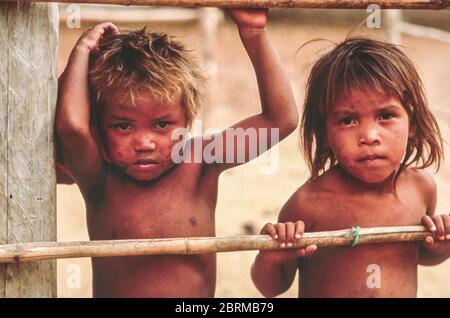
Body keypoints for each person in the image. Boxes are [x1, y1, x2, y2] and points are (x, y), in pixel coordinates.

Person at [55, 9, 298, 297]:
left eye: (162, 124)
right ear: (99, 128)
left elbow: (280, 120)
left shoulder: (202, 161)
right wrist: (82, 50)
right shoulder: (100, 178)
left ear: (188, 121)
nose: (144, 142)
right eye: (123, 125)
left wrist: (254, 33)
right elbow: (72, 127)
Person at [251, 37, 450, 298]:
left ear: (411, 123)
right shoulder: (308, 204)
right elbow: (271, 288)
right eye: (348, 120)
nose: (369, 135)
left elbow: (417, 256)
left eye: (386, 116)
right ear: (325, 133)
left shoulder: (421, 188)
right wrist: (270, 257)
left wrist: (440, 246)